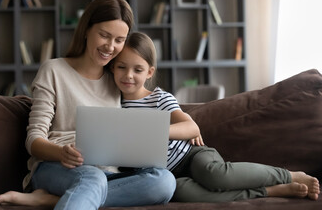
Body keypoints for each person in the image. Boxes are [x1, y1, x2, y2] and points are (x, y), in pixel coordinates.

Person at [0, 0, 175, 210]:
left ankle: (52, 200)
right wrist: (61, 153)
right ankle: (76, 194)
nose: (110, 46)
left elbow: (146, 99)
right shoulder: (53, 70)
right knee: (92, 179)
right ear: (87, 30)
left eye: (119, 40)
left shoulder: (116, 79)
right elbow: (33, 141)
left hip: (106, 172)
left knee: (164, 181)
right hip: (56, 167)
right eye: (104, 35)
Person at [110, 31, 320, 203]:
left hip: (191, 156)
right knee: (182, 194)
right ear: (112, 67)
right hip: (168, 175)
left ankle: (288, 175)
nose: (128, 75)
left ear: (149, 72)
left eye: (137, 69)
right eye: (122, 67)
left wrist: (149, 131)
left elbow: (191, 128)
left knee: (214, 174)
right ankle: (272, 191)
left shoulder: (158, 98)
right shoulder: (111, 104)